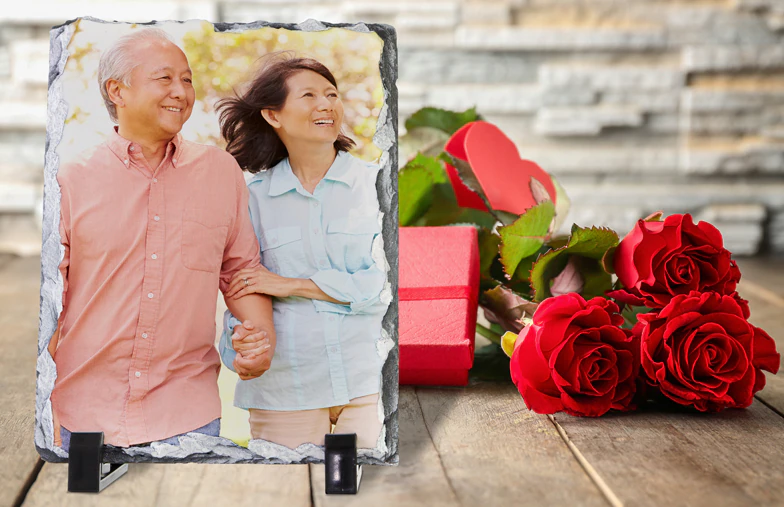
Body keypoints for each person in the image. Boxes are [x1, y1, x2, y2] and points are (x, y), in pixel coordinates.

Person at [48, 28, 274, 450]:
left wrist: (259, 336)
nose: (181, 91)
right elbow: (49, 305)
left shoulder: (221, 173)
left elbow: (241, 271)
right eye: (165, 78)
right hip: (84, 416)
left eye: (186, 79)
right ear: (118, 91)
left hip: (188, 414)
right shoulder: (70, 181)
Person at [216, 55, 389, 449]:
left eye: (331, 94)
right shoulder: (249, 200)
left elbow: (385, 285)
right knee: (287, 492)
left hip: (368, 380)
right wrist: (240, 345)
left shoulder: (377, 186)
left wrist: (291, 284)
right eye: (309, 95)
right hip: (285, 388)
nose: (326, 104)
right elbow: (241, 289)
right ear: (273, 116)